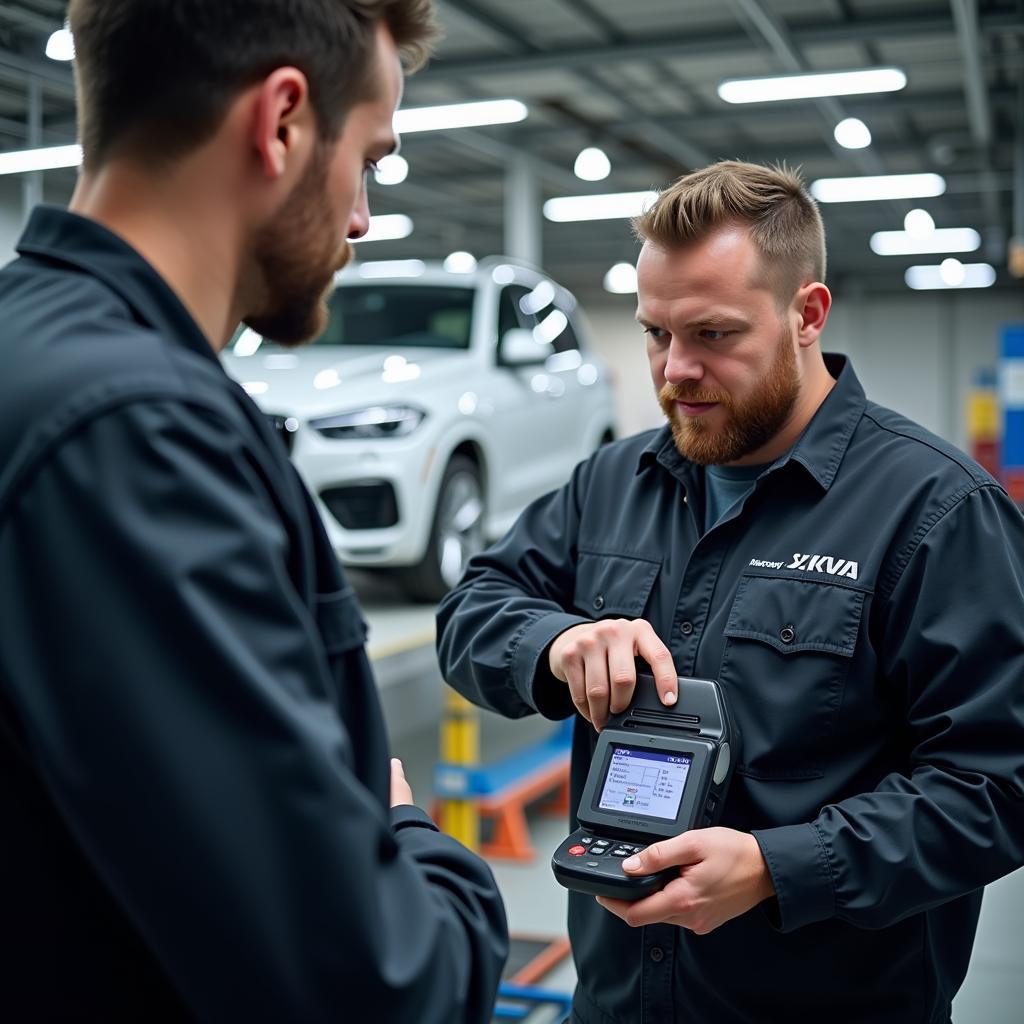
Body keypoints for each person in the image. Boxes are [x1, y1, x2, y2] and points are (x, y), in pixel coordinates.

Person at [0, 1, 509, 1020]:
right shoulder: (139, 433)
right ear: (281, 122)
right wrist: (417, 845)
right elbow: (373, 990)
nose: (363, 215)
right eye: (369, 157)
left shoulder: (30, 347)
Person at [437, 160, 1024, 1023]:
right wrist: (554, 642)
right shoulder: (613, 483)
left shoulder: (935, 513)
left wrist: (779, 867)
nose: (676, 370)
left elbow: (997, 784)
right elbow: (473, 607)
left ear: (806, 316)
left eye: (713, 335)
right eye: (654, 333)